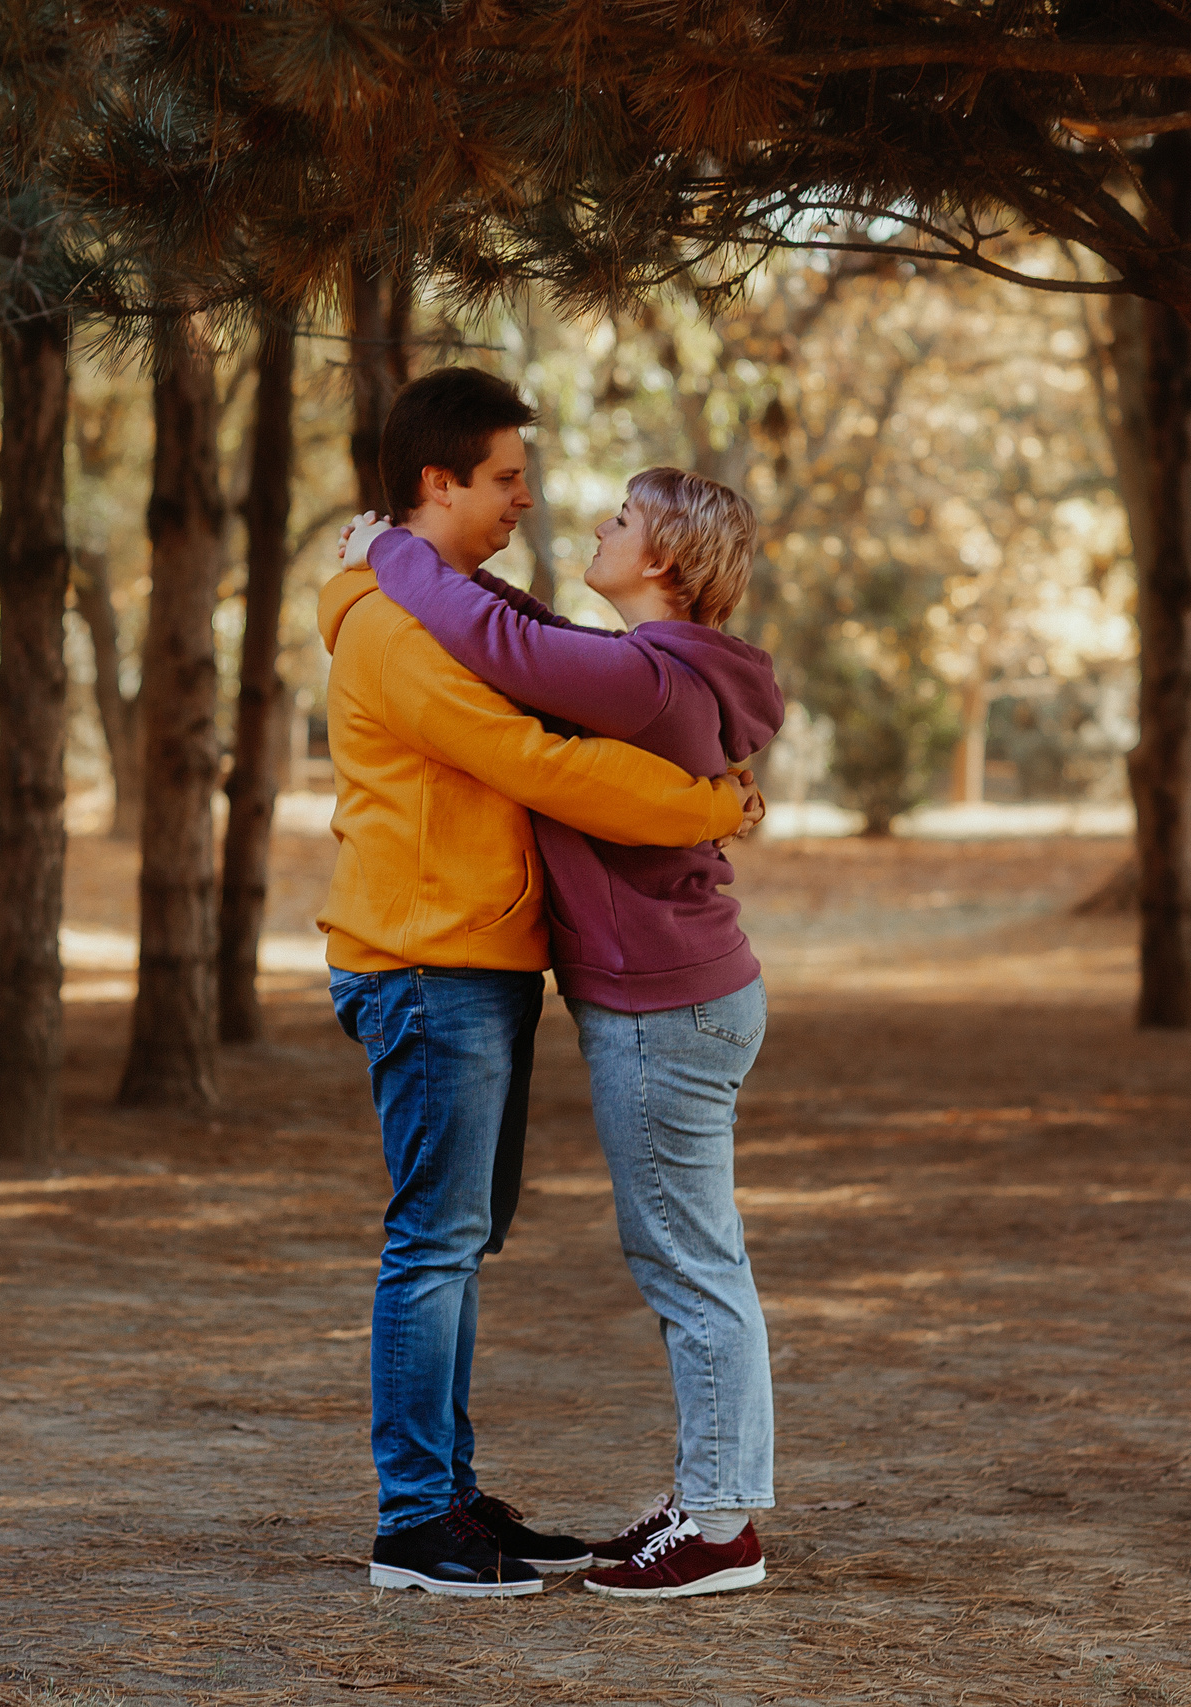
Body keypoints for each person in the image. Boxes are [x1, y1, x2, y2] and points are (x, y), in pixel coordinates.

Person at [319, 371, 763, 1599]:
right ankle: (416, 1519)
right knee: (435, 1242)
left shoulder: (440, 600)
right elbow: (533, 758)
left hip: (481, 955)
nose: (529, 497)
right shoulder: (389, 618)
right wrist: (708, 804)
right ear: (437, 483)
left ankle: (448, 1501)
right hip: (428, 958)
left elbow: (541, 656)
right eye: (508, 477)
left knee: (460, 1240)